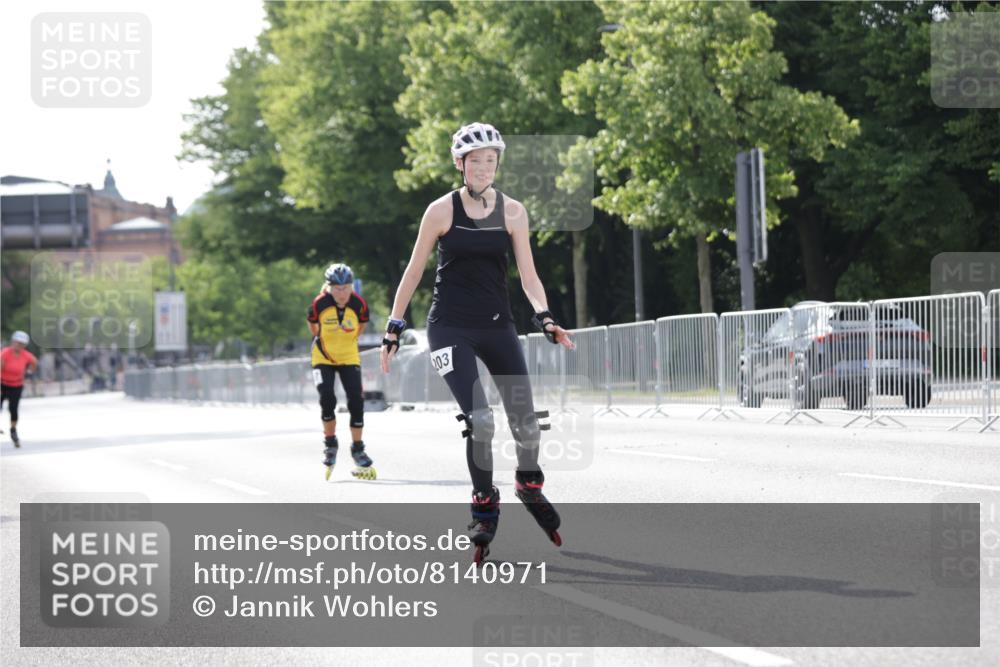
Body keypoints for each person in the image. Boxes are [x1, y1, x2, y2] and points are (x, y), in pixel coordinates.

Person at [380, 122, 576, 564]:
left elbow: (529, 276)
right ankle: (484, 504)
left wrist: (545, 316)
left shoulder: (513, 212)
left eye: (492, 160)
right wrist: (393, 325)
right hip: (449, 328)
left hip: (497, 325)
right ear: (460, 164)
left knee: (526, 422)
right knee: (482, 420)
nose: (485, 167)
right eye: (476, 160)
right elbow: (413, 272)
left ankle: (529, 483)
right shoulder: (441, 211)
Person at [308, 263, 375, 481]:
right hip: (322, 357)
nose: (342, 293)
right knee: (327, 397)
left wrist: (346, 340)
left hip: (349, 356)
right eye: (337, 289)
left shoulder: (359, 304)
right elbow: (314, 328)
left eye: (346, 287)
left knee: (356, 400)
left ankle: (358, 447)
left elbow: (361, 326)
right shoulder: (319, 304)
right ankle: (330, 443)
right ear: (328, 287)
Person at [1, 331, 38, 448]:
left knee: (13, 409)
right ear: (13, 342)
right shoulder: (5, 353)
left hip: (17, 385)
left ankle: (13, 431)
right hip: (3, 383)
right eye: (17, 343)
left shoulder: (26, 355)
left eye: (21, 344)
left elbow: (34, 362)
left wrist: (30, 371)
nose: (19, 346)